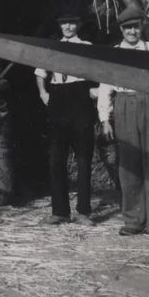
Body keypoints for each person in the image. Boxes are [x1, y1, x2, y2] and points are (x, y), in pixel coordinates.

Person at [93, 4, 149, 242]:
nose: (132, 31)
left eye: (136, 27)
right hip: (124, 105)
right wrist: (104, 118)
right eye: (128, 28)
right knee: (128, 166)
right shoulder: (115, 52)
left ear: (142, 27)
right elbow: (104, 87)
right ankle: (133, 221)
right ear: (121, 29)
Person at [35, 12, 96, 226]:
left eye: (72, 22)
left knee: (83, 157)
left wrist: (94, 91)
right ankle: (60, 211)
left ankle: (83, 212)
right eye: (64, 23)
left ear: (78, 24)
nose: (68, 26)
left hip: (80, 98)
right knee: (56, 158)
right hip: (58, 98)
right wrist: (44, 93)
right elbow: (40, 72)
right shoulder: (52, 47)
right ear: (59, 26)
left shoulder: (87, 46)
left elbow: (99, 72)